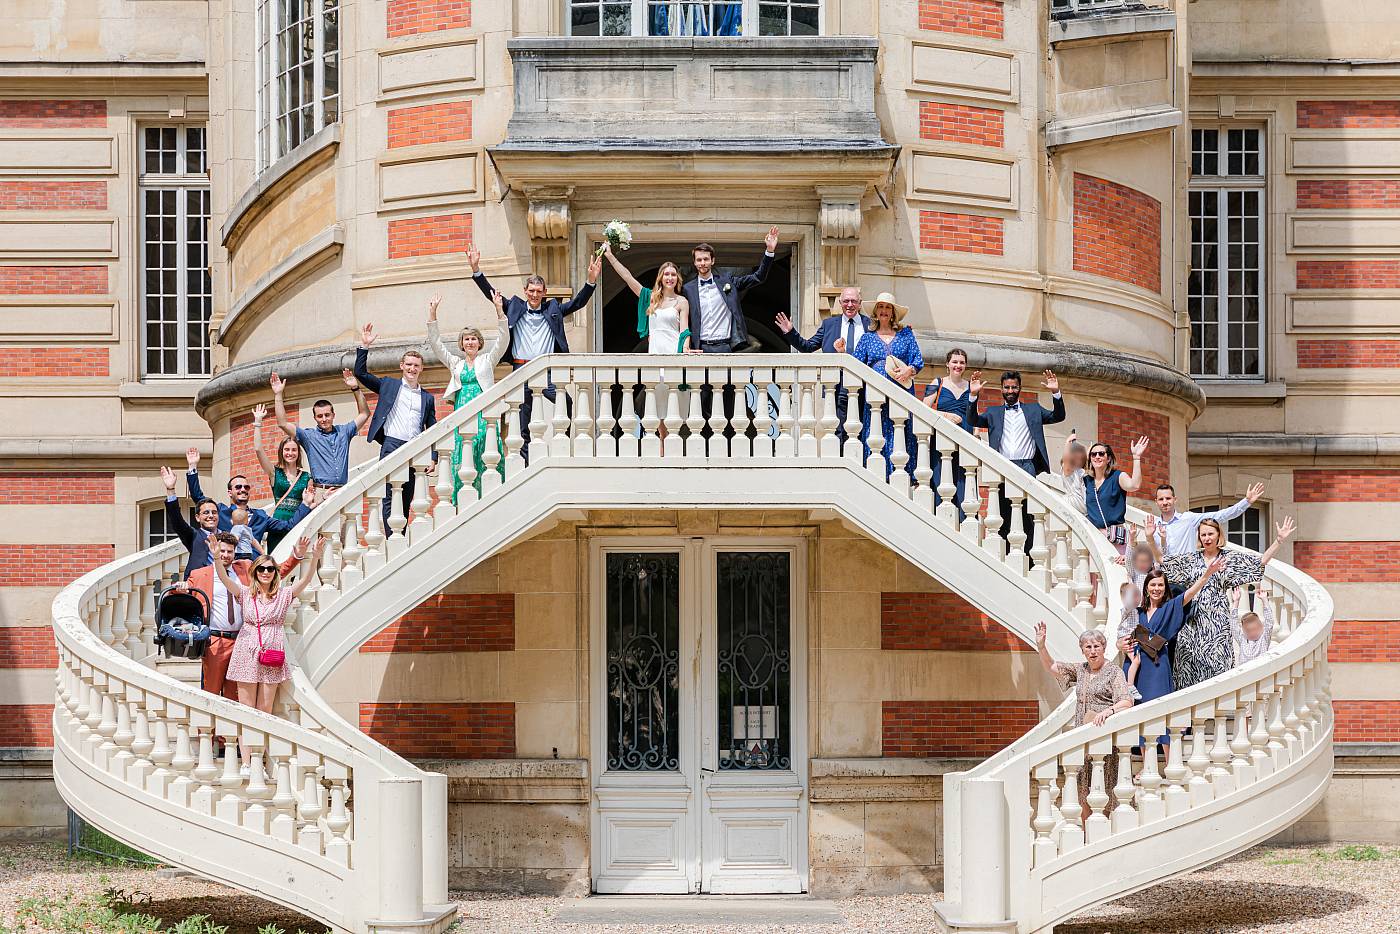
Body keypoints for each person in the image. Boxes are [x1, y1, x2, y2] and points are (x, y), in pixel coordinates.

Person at [466, 245, 601, 461]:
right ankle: (525, 461)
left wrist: (591, 281)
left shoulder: (553, 308)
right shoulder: (514, 306)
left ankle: (562, 441)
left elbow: (578, 303)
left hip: (545, 372)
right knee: (522, 418)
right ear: (525, 291)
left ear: (544, 293)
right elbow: (490, 293)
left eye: (539, 291)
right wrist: (476, 269)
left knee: (565, 400)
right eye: (531, 291)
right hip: (520, 369)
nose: (535, 295)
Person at [1148, 515, 1296, 690]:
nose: (1207, 538)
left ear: (1219, 535)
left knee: (1217, 670)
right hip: (1192, 622)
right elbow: (1163, 561)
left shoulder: (1229, 558)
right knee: (1188, 671)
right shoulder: (1191, 559)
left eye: (1210, 534)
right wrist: (1150, 538)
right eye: (1203, 535)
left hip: (1217, 622)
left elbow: (1259, 563)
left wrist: (1278, 541)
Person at [176, 532, 308, 701]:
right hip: (216, 640)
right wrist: (179, 588)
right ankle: (208, 728)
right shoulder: (200, 574)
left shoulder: (245, 568)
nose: (225, 555)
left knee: (236, 696)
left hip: (244, 641)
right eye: (221, 550)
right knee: (211, 692)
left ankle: (232, 729)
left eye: (229, 551)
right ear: (214, 550)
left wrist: (296, 556)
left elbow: (274, 572)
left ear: (234, 552)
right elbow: (184, 597)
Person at [210, 531, 327, 714]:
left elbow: (306, 580)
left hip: (271, 653)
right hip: (246, 651)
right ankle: (246, 744)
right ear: (255, 572)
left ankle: (261, 744)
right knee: (246, 709)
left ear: (275, 573)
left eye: (270, 569)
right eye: (261, 569)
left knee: (265, 709)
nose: (265, 572)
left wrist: (315, 557)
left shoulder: (283, 594)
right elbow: (224, 579)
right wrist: (217, 556)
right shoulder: (245, 592)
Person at [1034, 621, 1133, 820]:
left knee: (1103, 788)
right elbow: (1053, 667)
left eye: (1097, 646)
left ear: (1104, 648)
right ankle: (1088, 836)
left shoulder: (1114, 672)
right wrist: (1042, 646)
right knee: (1083, 791)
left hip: (1103, 738)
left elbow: (1127, 701)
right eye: (1088, 647)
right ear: (1083, 651)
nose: (1093, 651)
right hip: (1082, 739)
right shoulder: (1081, 670)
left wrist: (1109, 711)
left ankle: (1103, 835)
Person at [970, 370, 1066, 554]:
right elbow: (972, 419)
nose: (1011, 390)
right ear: (1001, 389)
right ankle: (1006, 556)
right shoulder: (993, 412)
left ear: (1020, 388)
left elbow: (1058, 416)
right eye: (1007, 387)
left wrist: (1056, 393)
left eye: (1014, 387)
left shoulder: (1033, 409)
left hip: (1027, 466)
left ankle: (1029, 559)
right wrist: (973, 395)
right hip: (1002, 467)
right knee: (1004, 514)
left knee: (1028, 514)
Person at [355, 325, 439, 534]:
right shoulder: (389, 385)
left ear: (421, 369)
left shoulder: (427, 398)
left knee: (408, 494)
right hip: (392, 444)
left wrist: (434, 456)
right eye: (408, 364)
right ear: (402, 365)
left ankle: (400, 532)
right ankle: (393, 534)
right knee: (390, 493)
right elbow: (360, 373)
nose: (412, 369)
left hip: (415, 448)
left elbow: (432, 427)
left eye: (416, 366)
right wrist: (364, 346)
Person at [426, 291, 509, 502]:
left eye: (473, 339)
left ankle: (486, 493)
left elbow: (503, 340)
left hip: (483, 411)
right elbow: (437, 345)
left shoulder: (487, 361)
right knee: (463, 450)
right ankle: (462, 495)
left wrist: (499, 310)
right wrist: (433, 314)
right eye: (466, 339)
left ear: (479, 342)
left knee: (483, 446)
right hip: (462, 410)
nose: (470, 342)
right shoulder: (456, 363)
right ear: (461, 344)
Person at [1120, 559, 1227, 709]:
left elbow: (1190, 593)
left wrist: (1207, 574)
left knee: (1156, 709)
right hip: (1133, 664)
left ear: (1165, 588)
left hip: (1156, 665)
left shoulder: (1170, 607)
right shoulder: (1137, 612)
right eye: (1153, 584)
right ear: (1146, 588)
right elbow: (1120, 634)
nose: (1156, 588)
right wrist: (1120, 644)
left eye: (1160, 585)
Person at [843, 292, 923, 480]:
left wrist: (908, 370)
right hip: (875, 394)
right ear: (876, 312)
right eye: (881, 307)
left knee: (901, 430)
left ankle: (902, 475)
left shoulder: (906, 335)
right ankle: (877, 473)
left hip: (901, 391)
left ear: (893, 313)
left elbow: (918, 361)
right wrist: (841, 352)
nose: (884, 311)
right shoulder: (867, 338)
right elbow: (856, 365)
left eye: (888, 308)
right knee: (876, 431)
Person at [775, 287, 868, 442]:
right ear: (840, 303)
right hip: (837, 387)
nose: (850, 304)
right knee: (838, 431)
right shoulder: (829, 325)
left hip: (865, 386)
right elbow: (807, 347)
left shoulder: (870, 325)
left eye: (853, 301)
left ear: (860, 303)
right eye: (846, 301)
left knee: (863, 430)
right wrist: (791, 332)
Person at [185, 448, 312, 561]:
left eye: (246, 487)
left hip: (255, 568)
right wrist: (192, 467)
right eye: (238, 487)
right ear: (230, 492)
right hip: (230, 566)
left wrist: (305, 504)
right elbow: (199, 498)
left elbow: (287, 526)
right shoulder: (221, 512)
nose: (243, 489)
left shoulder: (261, 516)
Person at [269, 369, 369, 494]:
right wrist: (278, 394)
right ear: (315, 418)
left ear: (333, 415)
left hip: (342, 491)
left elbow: (364, 414)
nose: (324, 419)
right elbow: (282, 423)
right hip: (320, 492)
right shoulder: (309, 436)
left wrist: (355, 388)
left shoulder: (344, 432)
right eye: (320, 416)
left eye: (327, 415)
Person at [601, 245, 695, 354]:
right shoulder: (651, 297)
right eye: (666, 274)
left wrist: (685, 348)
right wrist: (610, 256)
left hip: (674, 348)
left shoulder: (682, 301)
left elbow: (684, 331)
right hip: (655, 349)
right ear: (661, 277)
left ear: (677, 278)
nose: (670, 278)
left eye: (673, 275)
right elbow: (628, 277)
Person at [252, 403, 313, 553]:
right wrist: (258, 423)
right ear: (281, 452)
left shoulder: (306, 476)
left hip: (298, 521)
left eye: (293, 450)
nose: (290, 453)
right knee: (277, 560)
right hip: (278, 523)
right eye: (287, 450)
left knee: (295, 559)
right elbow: (258, 449)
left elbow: (311, 501)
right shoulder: (275, 473)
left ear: (298, 453)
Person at [1147, 482, 1266, 558]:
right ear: (1156, 502)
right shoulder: (1152, 527)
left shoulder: (1188, 519)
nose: (1165, 502)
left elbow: (1221, 516)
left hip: (1187, 577)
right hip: (1163, 580)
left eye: (1168, 498)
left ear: (1175, 499)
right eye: (1161, 499)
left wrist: (1246, 502)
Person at [924, 348, 978, 513]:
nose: (958, 365)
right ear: (947, 364)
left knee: (963, 477)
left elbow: (974, 413)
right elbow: (923, 408)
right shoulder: (938, 383)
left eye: (962, 362)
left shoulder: (971, 386)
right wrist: (945, 415)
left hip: (965, 436)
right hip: (943, 437)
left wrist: (976, 436)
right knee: (942, 476)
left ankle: (963, 519)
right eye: (955, 362)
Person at [1084, 437, 1149, 554]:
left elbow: (1135, 485)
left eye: (1101, 454)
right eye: (1093, 454)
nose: (1097, 456)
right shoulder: (1086, 481)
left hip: (1115, 537)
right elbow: (1068, 471)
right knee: (1092, 572)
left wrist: (1136, 458)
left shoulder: (1117, 476)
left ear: (1108, 458)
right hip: (1093, 536)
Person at [160, 465, 221, 577]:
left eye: (214, 512)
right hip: (198, 584)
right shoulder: (193, 535)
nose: (211, 516)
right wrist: (170, 490)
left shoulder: (227, 535)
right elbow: (176, 520)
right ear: (197, 517)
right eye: (206, 513)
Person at [1232, 585, 1276, 665]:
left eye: (1255, 629)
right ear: (1244, 631)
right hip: (1244, 674)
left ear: (1261, 628)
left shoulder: (1264, 639)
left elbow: (1269, 622)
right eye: (1248, 630)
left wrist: (1264, 600)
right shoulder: (1242, 639)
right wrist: (1236, 602)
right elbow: (1233, 624)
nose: (1252, 633)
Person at [1059, 431, 1089, 516]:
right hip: (1074, 506)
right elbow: (1066, 458)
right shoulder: (1070, 470)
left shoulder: (1082, 472)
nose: (1079, 458)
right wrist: (1068, 442)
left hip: (1084, 511)